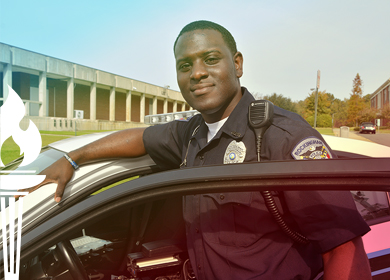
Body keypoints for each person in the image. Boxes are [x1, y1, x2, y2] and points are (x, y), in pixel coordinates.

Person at [21, 20, 372, 280]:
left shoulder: (284, 137)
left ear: (237, 64)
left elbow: (343, 248)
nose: (197, 73)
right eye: (185, 65)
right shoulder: (192, 134)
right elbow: (140, 138)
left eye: (210, 59)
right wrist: (72, 157)